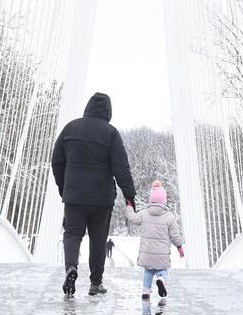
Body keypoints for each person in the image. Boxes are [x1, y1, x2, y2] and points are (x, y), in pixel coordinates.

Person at [52, 92, 136, 298]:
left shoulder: (70, 128)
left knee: (72, 234)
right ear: (108, 111)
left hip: (74, 197)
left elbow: (56, 161)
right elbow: (121, 168)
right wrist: (129, 196)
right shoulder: (111, 133)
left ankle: (71, 268)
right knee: (98, 240)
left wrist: (65, 187)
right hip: (101, 199)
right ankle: (95, 283)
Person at [124, 179, 185, 300]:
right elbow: (175, 235)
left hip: (147, 253)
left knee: (148, 271)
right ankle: (161, 279)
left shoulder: (144, 213)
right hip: (162, 254)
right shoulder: (169, 217)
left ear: (151, 199)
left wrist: (129, 207)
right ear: (164, 200)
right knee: (162, 270)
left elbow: (133, 218)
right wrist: (179, 247)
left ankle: (146, 292)